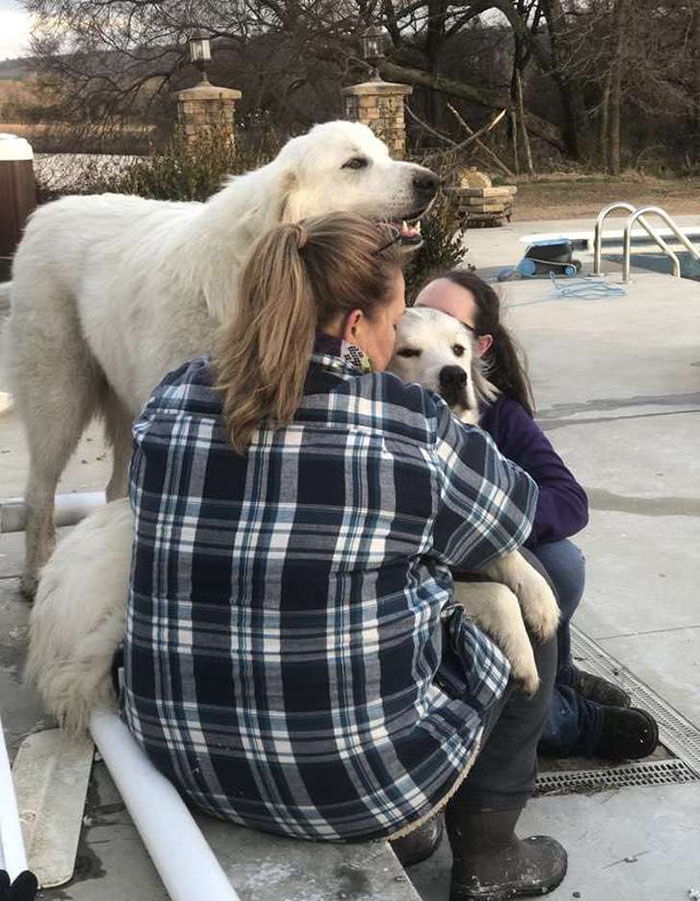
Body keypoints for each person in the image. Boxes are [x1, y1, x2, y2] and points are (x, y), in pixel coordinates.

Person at [123, 213, 567, 900]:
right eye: (395, 325)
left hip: (181, 760)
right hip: (354, 784)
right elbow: (514, 515)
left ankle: (416, 824)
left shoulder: (171, 397)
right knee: (522, 622)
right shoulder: (408, 423)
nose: (397, 343)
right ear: (359, 327)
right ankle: (491, 851)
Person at [415, 270, 659, 761]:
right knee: (538, 572)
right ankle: (562, 720)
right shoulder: (372, 416)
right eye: (416, 327)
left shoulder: (496, 411)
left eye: (453, 337)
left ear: (479, 347)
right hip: (426, 604)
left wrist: (488, 525)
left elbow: (568, 498)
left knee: (556, 563)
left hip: (472, 576)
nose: (438, 352)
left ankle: (557, 682)